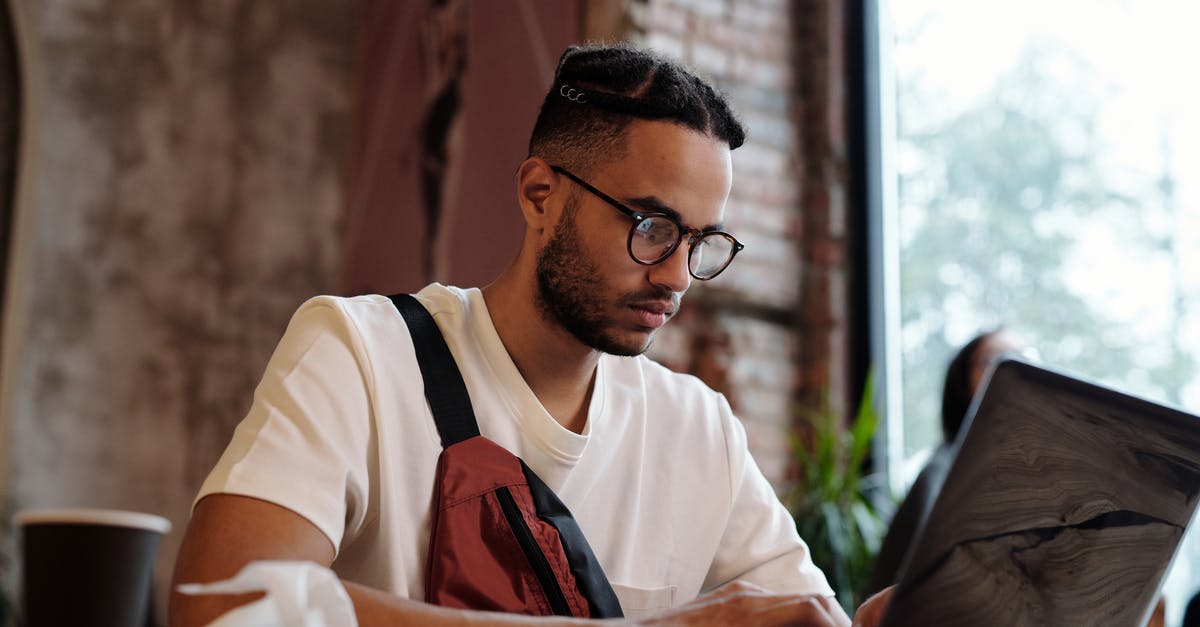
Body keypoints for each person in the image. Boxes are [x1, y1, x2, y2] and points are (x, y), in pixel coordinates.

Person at [169, 44, 892, 626]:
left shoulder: (697, 430)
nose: (676, 274)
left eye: (701, 241)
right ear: (539, 194)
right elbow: (222, 603)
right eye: (652, 226)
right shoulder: (359, 353)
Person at [864, 329, 1024, 597]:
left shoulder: (1027, 474)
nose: (1012, 371)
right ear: (962, 381)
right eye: (994, 360)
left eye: (1022, 359)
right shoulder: (944, 473)